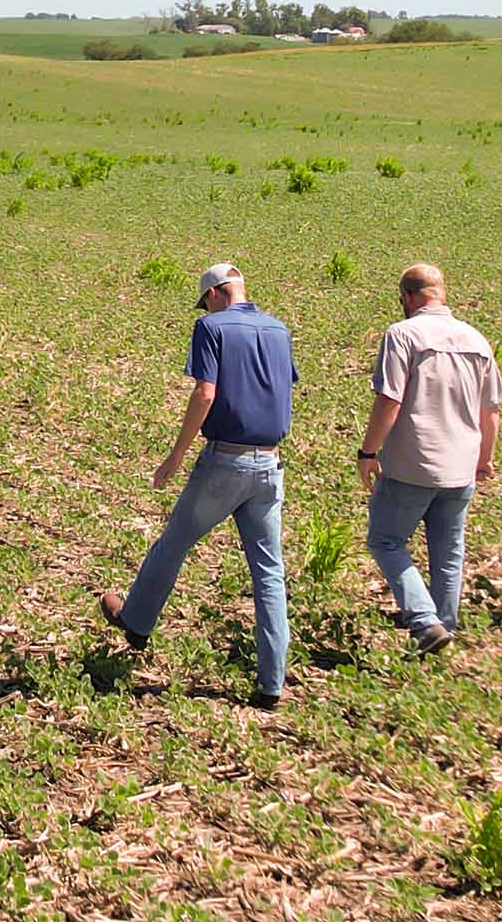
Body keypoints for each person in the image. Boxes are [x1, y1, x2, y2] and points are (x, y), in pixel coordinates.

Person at [100, 262, 296, 709]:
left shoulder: (210, 327)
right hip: (269, 463)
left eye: (205, 299)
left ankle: (136, 622)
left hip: (225, 461)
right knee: (268, 573)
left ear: (214, 294)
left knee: (173, 543)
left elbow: (206, 393)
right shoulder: (279, 330)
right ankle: (272, 684)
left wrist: (175, 455)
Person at [357, 263, 502, 656]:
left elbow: (390, 398)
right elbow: (490, 410)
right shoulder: (476, 338)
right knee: (449, 548)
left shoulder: (402, 334)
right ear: (442, 294)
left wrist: (369, 451)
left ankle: (424, 621)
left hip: (413, 461)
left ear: (407, 297)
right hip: (461, 464)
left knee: (386, 540)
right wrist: (484, 458)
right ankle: (445, 621)